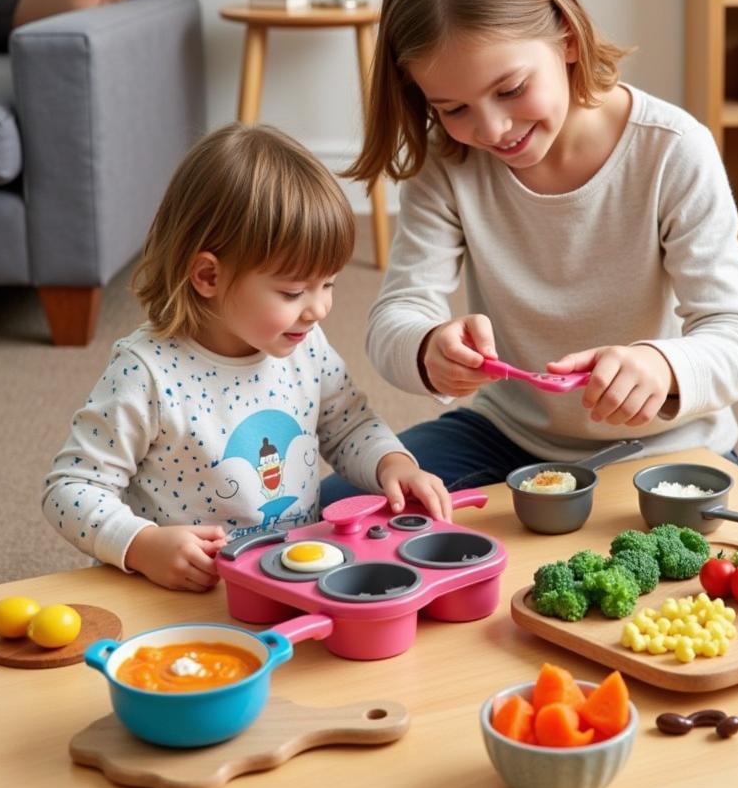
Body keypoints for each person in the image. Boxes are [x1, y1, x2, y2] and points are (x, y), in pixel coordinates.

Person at [320, 0, 738, 506]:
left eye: (510, 90)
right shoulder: (448, 161)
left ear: (567, 37)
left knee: (646, 574)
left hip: (665, 443)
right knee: (336, 507)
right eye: (453, 108)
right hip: (507, 434)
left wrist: (660, 366)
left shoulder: (672, 150)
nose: (493, 128)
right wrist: (429, 347)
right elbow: (396, 315)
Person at [43, 124, 450, 592]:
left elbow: (349, 425)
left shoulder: (305, 344)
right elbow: (70, 489)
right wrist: (141, 545)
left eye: (329, 284)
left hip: (293, 580)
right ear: (208, 276)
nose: (318, 309)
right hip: (183, 591)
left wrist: (391, 464)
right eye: (294, 291)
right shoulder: (147, 373)